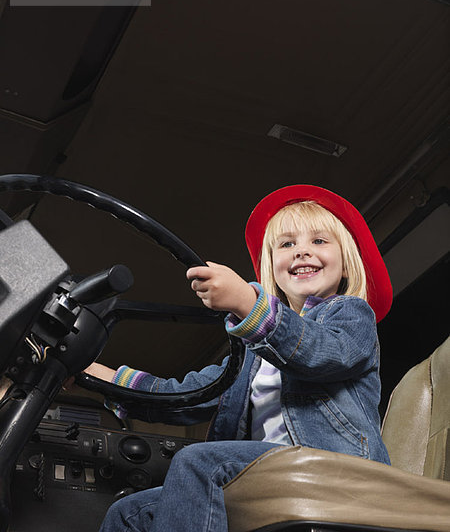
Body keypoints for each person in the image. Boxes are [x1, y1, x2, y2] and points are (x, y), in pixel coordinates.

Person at [91, 184, 393, 532]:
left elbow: (320, 354)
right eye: (287, 244)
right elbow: (188, 394)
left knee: (198, 463)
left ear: (345, 266)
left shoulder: (351, 315)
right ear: (272, 266)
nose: (302, 252)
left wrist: (248, 304)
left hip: (334, 470)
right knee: (129, 513)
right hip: (270, 477)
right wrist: (99, 376)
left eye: (320, 241)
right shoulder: (254, 353)